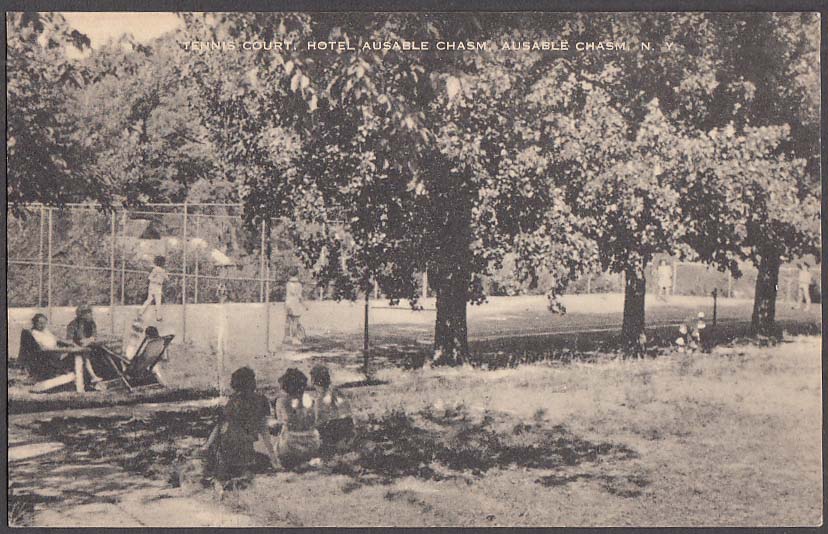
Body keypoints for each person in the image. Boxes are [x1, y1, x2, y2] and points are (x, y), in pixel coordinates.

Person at [202, 367, 277, 487]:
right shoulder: (261, 400)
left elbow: (220, 426)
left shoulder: (233, 402)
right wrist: (273, 456)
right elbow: (264, 430)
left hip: (229, 449)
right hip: (247, 449)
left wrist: (206, 446)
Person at [273, 368, 320, 468]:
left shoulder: (281, 401)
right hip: (312, 443)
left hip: (291, 445)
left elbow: (280, 422)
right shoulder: (311, 399)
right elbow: (315, 420)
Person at [310, 365, 354, 454]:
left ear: (313, 381)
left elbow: (318, 420)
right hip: (348, 425)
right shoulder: (337, 392)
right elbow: (348, 410)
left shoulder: (320, 400)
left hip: (333, 429)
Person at [19, 313, 77, 381]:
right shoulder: (34, 333)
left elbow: (56, 339)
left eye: (44, 323)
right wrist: (61, 349)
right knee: (71, 357)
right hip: (45, 357)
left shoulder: (45, 331)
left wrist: (69, 343)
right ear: (35, 323)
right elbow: (42, 348)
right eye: (40, 323)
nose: (42, 325)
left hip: (55, 353)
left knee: (75, 355)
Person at [66, 305, 105, 383]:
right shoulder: (73, 324)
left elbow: (94, 335)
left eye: (90, 313)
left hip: (89, 345)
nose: (90, 315)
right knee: (84, 354)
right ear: (81, 315)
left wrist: (89, 340)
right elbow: (69, 340)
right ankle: (92, 376)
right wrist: (82, 343)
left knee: (103, 351)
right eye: (86, 313)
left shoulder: (92, 323)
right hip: (75, 347)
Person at [141, 256, 169, 321]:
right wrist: (158, 280)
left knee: (153, 301)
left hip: (156, 287)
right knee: (154, 301)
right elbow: (150, 278)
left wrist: (163, 274)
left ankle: (142, 313)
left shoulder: (161, 270)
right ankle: (157, 316)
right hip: (154, 286)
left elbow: (167, 278)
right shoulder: (156, 269)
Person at [284, 271, 306, 346]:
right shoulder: (299, 285)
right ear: (297, 275)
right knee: (295, 322)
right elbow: (299, 297)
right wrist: (305, 305)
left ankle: (287, 337)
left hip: (288, 304)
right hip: (295, 304)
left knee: (289, 321)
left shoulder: (288, 284)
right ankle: (294, 339)